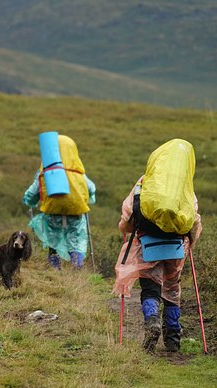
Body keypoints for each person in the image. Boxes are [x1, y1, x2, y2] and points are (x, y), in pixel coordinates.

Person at [112, 140, 202, 352]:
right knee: (172, 289)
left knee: (150, 289)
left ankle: (152, 320)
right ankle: (173, 338)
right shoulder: (185, 189)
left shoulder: (144, 184)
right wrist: (191, 244)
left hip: (147, 245)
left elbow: (127, 216)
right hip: (176, 248)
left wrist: (124, 228)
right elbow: (194, 221)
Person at [22, 134, 96, 270]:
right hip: (75, 211)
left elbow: (32, 194)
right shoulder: (77, 172)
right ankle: (77, 265)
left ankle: (55, 268)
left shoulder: (45, 172)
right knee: (76, 238)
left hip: (52, 212)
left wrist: (28, 200)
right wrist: (88, 197)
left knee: (53, 240)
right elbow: (91, 188)